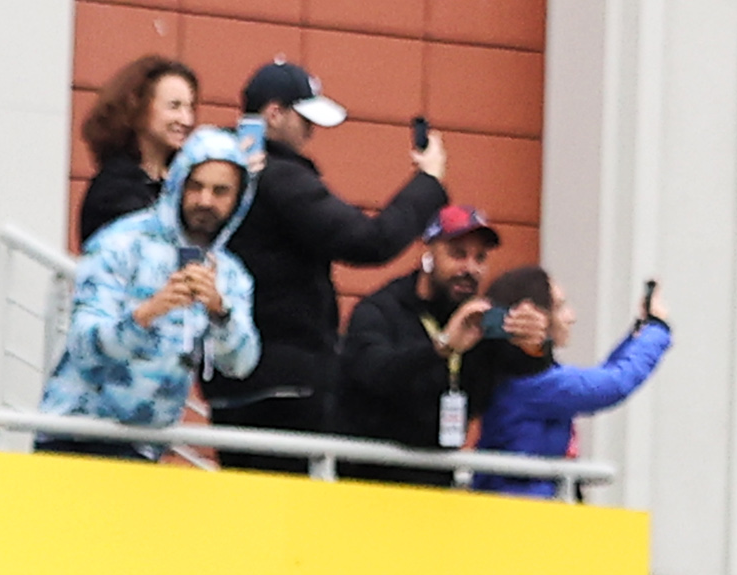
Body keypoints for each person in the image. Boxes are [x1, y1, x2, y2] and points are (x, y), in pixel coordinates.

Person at [213, 58, 443, 451]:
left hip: (230, 379)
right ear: (274, 114)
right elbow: (370, 241)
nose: (311, 132)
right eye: (305, 120)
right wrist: (428, 181)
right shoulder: (280, 177)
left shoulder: (221, 173)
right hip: (286, 384)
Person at [36, 126, 256, 453]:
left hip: (146, 448)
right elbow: (83, 344)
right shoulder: (120, 242)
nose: (205, 201)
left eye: (220, 191)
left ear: (238, 199)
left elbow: (241, 364)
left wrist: (219, 313)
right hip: (74, 433)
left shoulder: (230, 274)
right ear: (177, 185)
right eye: (195, 186)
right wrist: (147, 314)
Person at [465, 267, 667, 490]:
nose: (572, 317)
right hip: (524, 514)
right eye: (559, 307)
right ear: (531, 318)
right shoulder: (534, 385)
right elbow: (614, 383)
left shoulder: (517, 375)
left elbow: (608, 374)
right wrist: (657, 329)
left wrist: (639, 332)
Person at [336, 204, 505, 462]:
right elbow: (373, 372)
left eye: (480, 258)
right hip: (368, 474)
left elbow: (521, 371)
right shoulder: (380, 309)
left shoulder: (478, 320)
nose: (470, 269)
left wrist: (533, 344)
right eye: (458, 254)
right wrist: (440, 348)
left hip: (439, 476)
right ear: (428, 253)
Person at [74, 54, 197, 246]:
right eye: (174, 106)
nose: (186, 120)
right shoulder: (113, 191)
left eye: (190, 108)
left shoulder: (182, 179)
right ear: (137, 107)